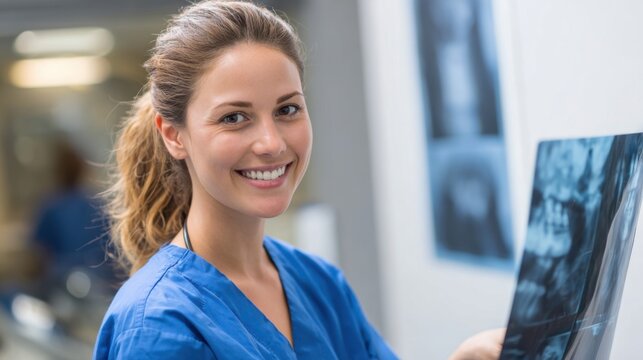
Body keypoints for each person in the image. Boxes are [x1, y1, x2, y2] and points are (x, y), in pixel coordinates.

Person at [93, 1, 504, 359]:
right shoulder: (158, 324)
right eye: (234, 118)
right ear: (173, 135)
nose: (271, 143)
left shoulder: (318, 283)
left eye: (287, 110)